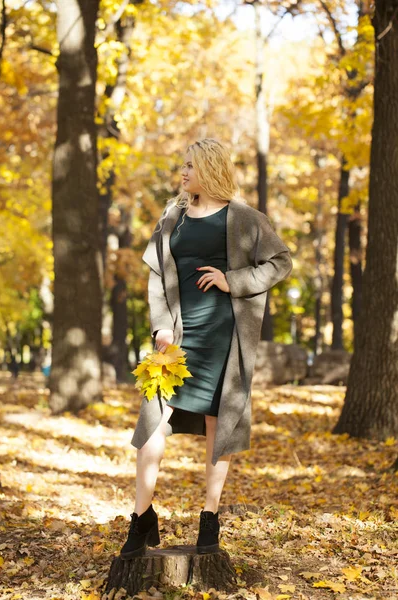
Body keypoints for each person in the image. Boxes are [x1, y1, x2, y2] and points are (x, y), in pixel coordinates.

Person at [120, 138, 292, 559]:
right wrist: (161, 326)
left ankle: (209, 518)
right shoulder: (172, 219)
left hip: (225, 340)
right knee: (151, 429)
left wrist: (233, 280)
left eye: (190, 165)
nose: (183, 172)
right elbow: (156, 278)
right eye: (183, 165)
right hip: (177, 340)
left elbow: (280, 262)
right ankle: (142, 518)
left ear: (211, 169)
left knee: (219, 427)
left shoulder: (244, 218)